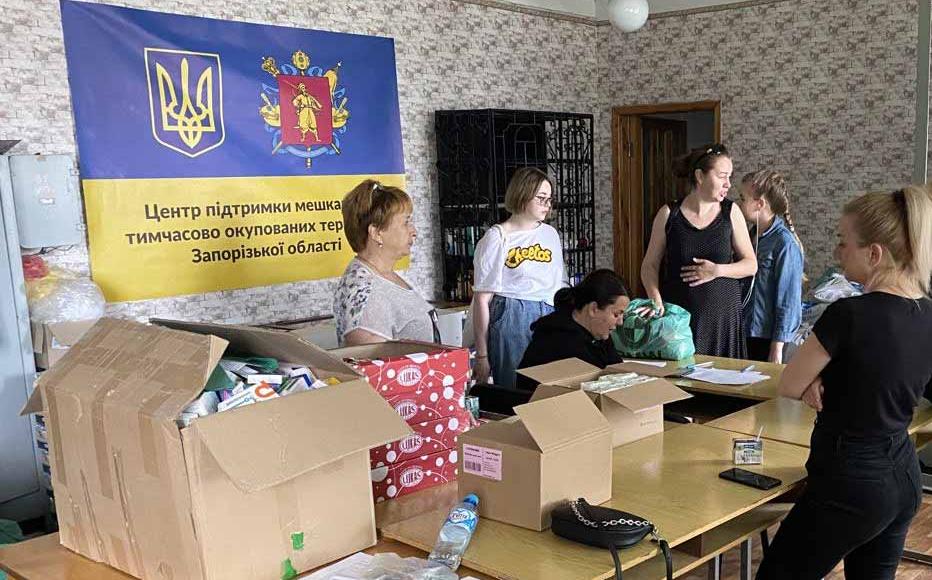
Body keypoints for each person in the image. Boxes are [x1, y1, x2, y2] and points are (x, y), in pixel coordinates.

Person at [756, 186, 932, 580]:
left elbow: (788, 382)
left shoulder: (849, 315)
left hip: (852, 480)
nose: (838, 253)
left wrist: (813, 377)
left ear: (875, 254)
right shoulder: (926, 312)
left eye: (843, 243)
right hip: (904, 472)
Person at [639, 143, 757, 359]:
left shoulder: (731, 212)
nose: (728, 184)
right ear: (700, 176)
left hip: (724, 322)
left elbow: (751, 265)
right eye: (722, 176)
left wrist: (717, 270)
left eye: (729, 177)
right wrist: (655, 298)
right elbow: (649, 265)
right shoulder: (669, 214)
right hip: (680, 322)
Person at [472, 167, 566, 388]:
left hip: (549, 312)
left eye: (549, 199)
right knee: (516, 388)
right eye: (541, 198)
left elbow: (560, 281)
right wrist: (482, 356)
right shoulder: (497, 237)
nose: (547, 205)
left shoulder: (550, 234)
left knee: (549, 388)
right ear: (522, 195)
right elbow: (482, 299)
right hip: (512, 313)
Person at [333, 180, 438, 346]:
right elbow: (372, 364)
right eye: (405, 222)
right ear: (376, 233)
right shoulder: (366, 289)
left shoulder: (382, 274)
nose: (414, 231)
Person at [515, 269, 630, 391]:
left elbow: (619, 372)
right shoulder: (559, 341)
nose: (620, 322)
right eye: (616, 314)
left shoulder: (598, 334)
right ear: (593, 309)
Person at [737, 169, 805, 363]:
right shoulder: (749, 236)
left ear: (759, 204)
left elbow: (788, 301)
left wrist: (776, 348)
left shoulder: (784, 243)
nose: (739, 203)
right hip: (745, 332)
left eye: (743, 198)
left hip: (767, 339)